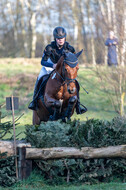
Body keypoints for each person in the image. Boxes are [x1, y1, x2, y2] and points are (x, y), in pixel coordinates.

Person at [28, 26, 87, 114]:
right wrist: (53, 65)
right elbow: (42, 61)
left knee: (74, 81)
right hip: (50, 66)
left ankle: (78, 105)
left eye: (62, 38)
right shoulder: (49, 48)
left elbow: (74, 60)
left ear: (65, 37)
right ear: (55, 38)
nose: (60, 40)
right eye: (58, 38)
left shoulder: (69, 48)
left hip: (63, 69)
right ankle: (34, 101)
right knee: (40, 78)